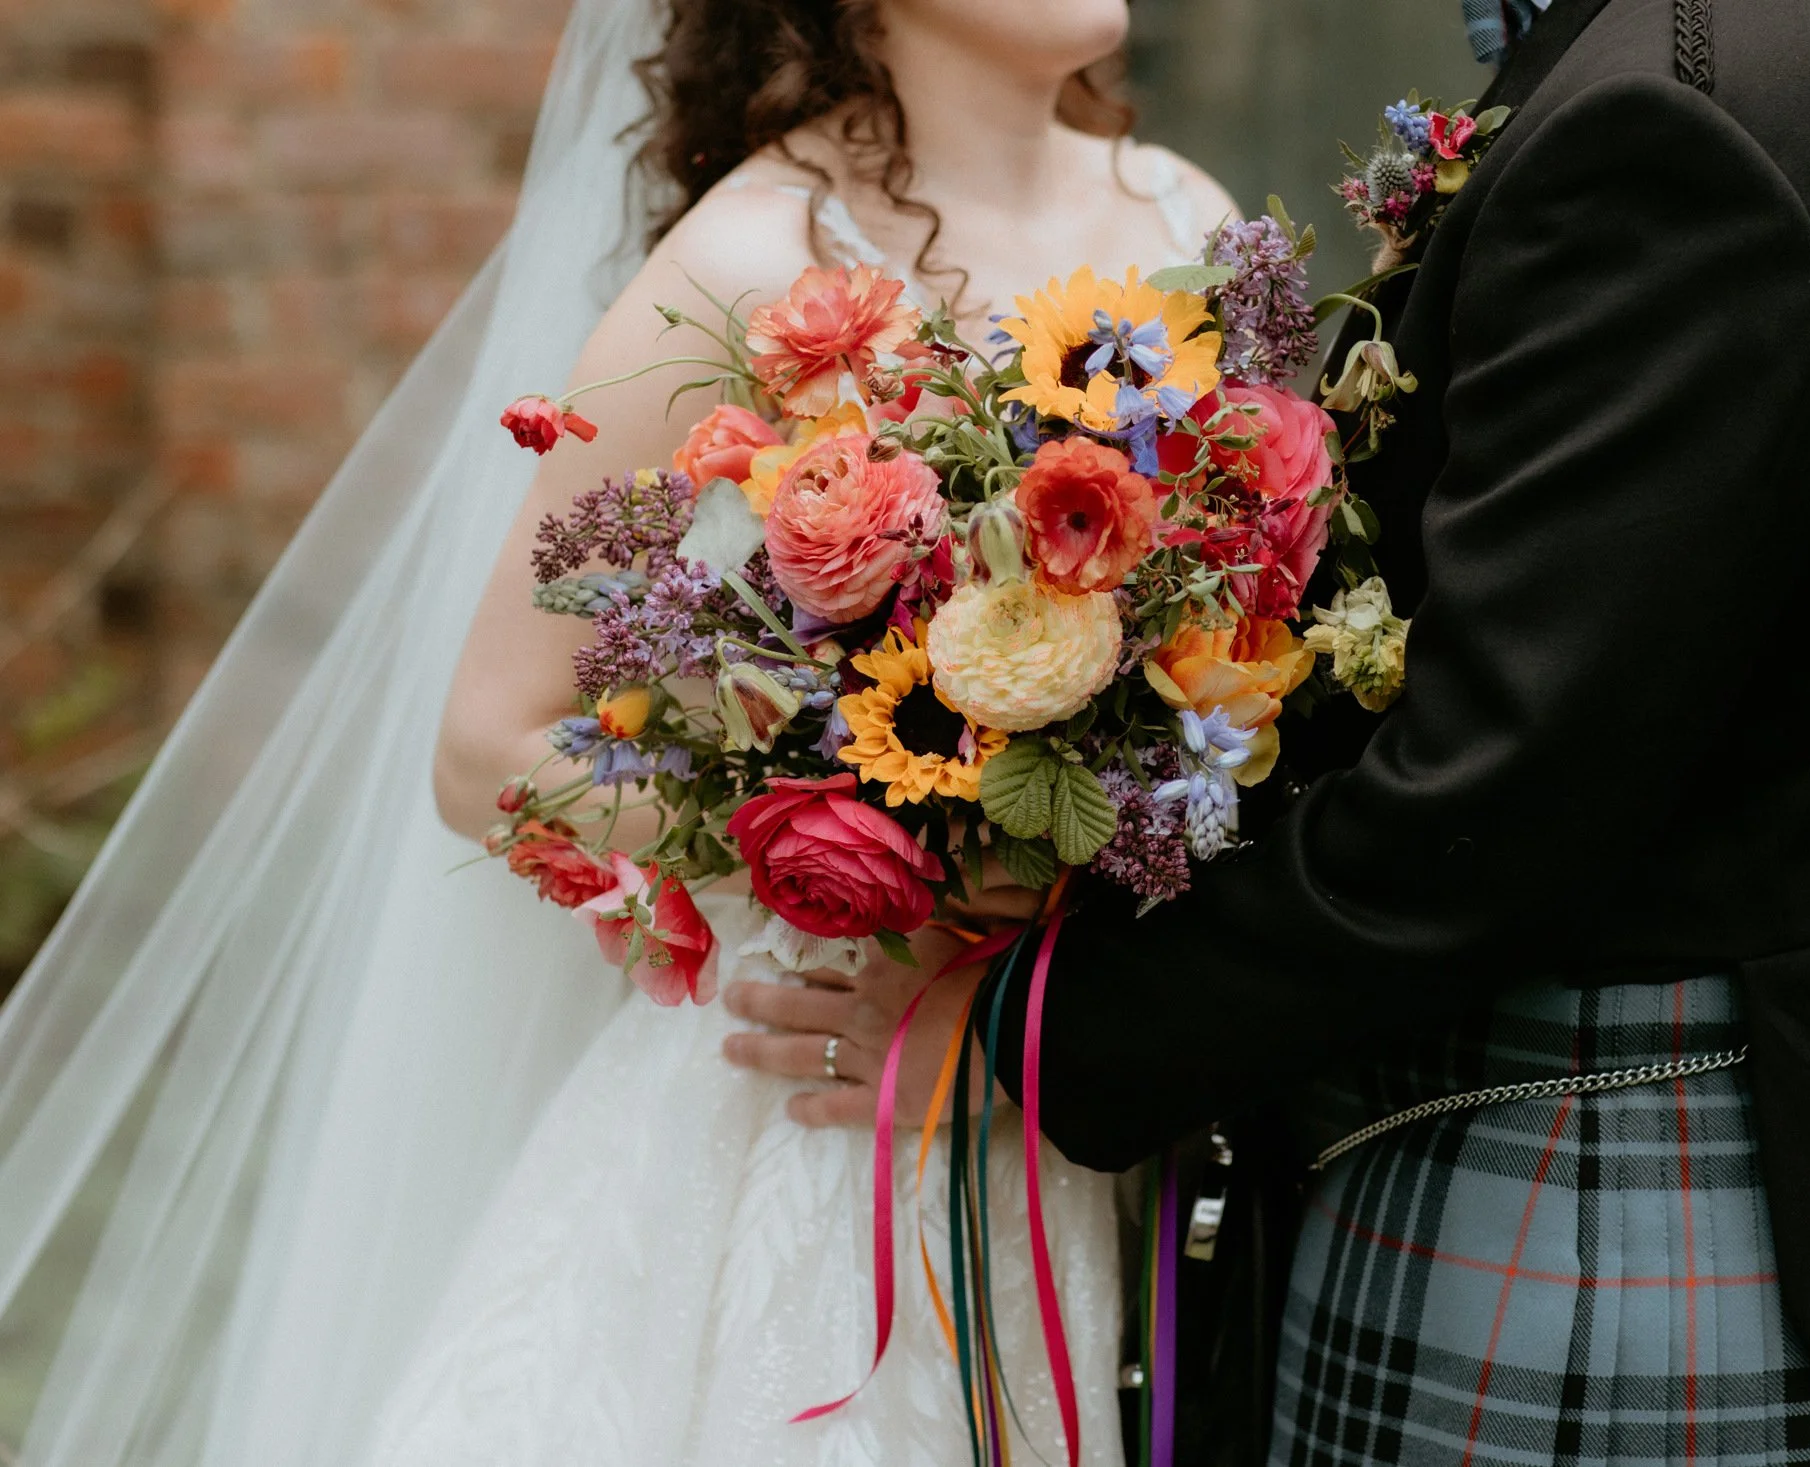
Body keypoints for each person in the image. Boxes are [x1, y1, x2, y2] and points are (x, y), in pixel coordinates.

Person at [772, 0, 1810, 1462]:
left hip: (1588, 1198)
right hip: (1763, 1165)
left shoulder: (1667, 120)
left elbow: (1490, 801)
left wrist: (1042, 1034)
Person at [0, 1, 1229, 1463]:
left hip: (1072, 1102)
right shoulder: (752, 258)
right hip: (812, 1101)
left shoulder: (1192, 224)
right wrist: (867, 853)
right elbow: (485, 745)